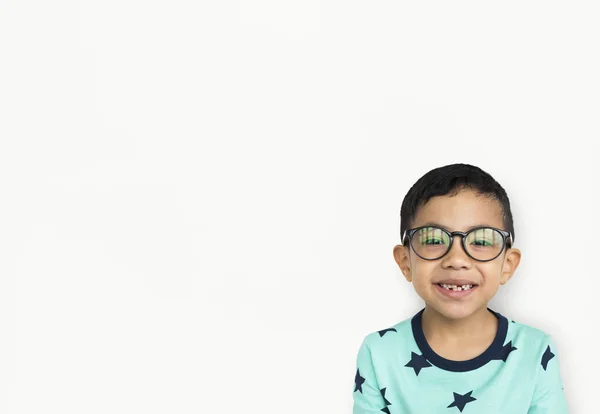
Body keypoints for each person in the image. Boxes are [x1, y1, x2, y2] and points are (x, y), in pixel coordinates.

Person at [352, 163, 568, 413]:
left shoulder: (535, 349)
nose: (456, 259)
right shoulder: (379, 352)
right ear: (405, 262)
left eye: (481, 241)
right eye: (433, 239)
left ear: (507, 265)